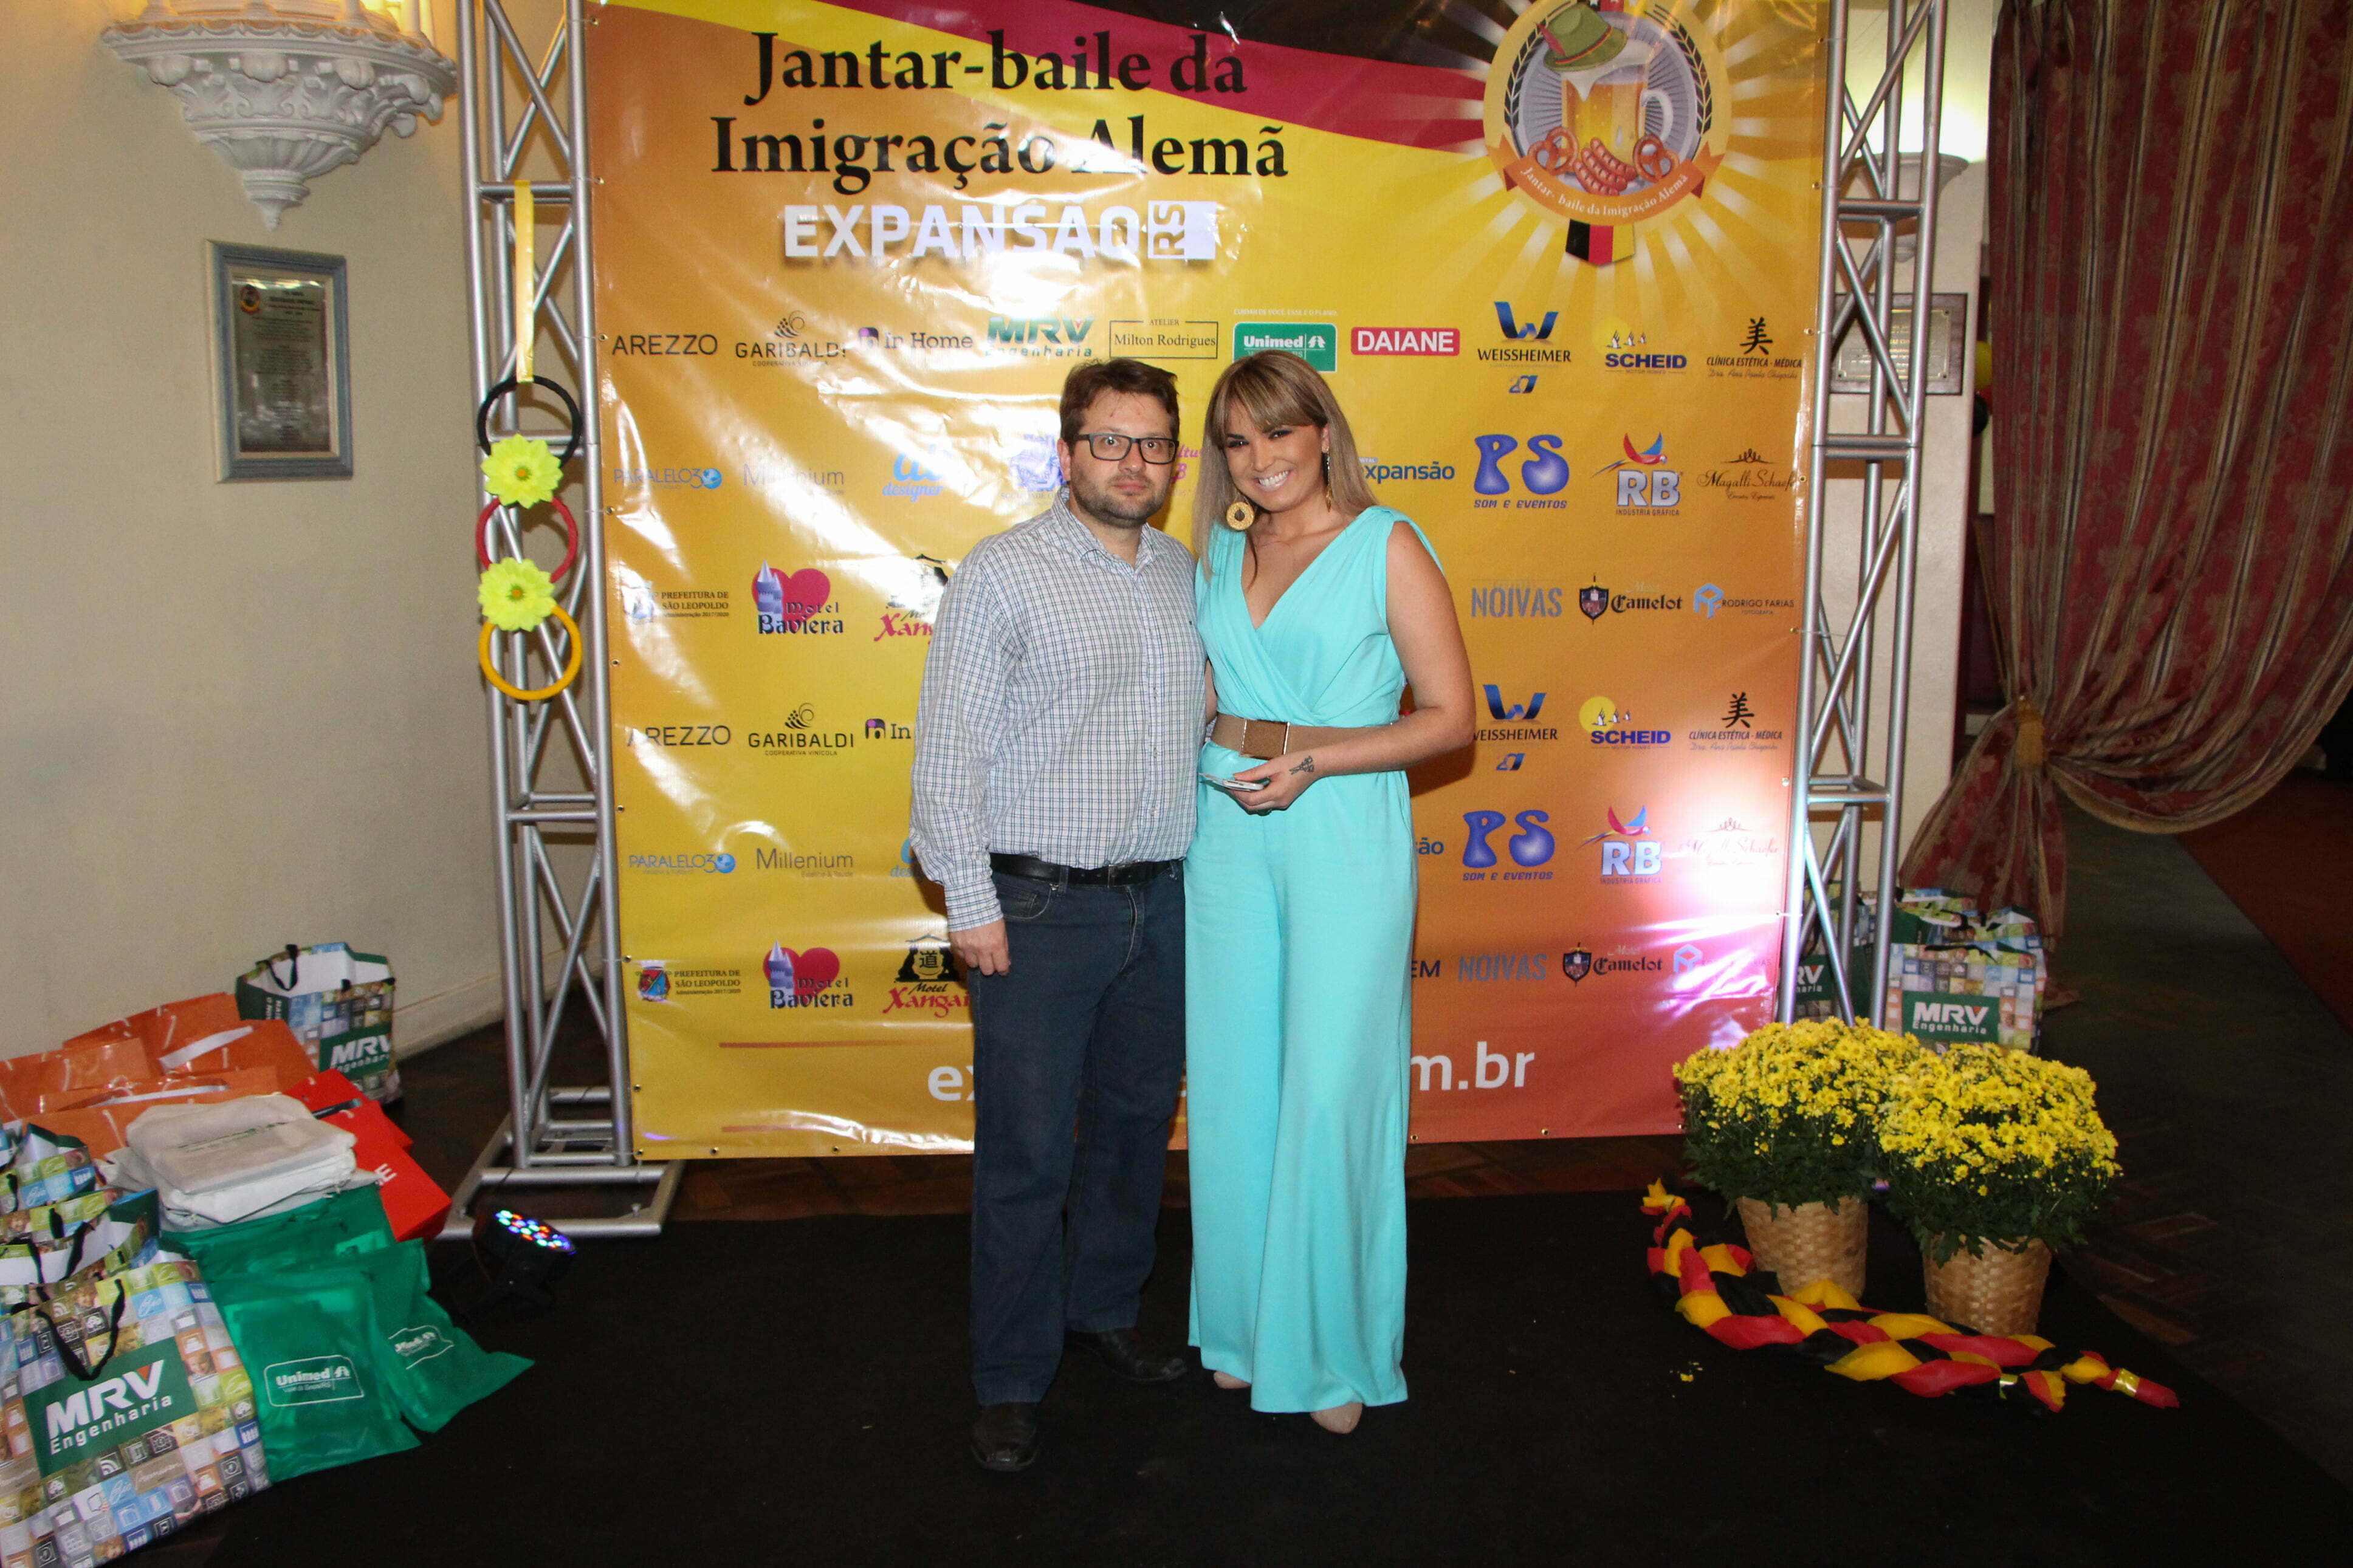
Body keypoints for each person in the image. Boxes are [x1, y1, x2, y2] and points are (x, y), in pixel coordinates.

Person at [909, 358, 1205, 1473]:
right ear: (1069, 450)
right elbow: (948, 755)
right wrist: (972, 903)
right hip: (1036, 911)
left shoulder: (1184, 574)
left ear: (1175, 460)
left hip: (1162, 902)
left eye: (1154, 444)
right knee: (1028, 1153)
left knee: (1134, 1131)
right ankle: (1010, 1375)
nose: (1134, 462)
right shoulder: (1005, 572)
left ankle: (1104, 1309)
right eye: (1111, 441)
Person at [1183, 351, 1474, 1434]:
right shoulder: (1221, 550)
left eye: (1278, 432)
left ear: (1322, 432)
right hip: (1225, 825)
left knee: (1330, 1087)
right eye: (1237, 441)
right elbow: (1199, 690)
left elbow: (1452, 718)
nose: (1260, 459)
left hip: (1340, 820)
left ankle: (1329, 1348)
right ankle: (1243, 1331)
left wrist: (1317, 762)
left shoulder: (1386, 543)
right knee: (1235, 1083)